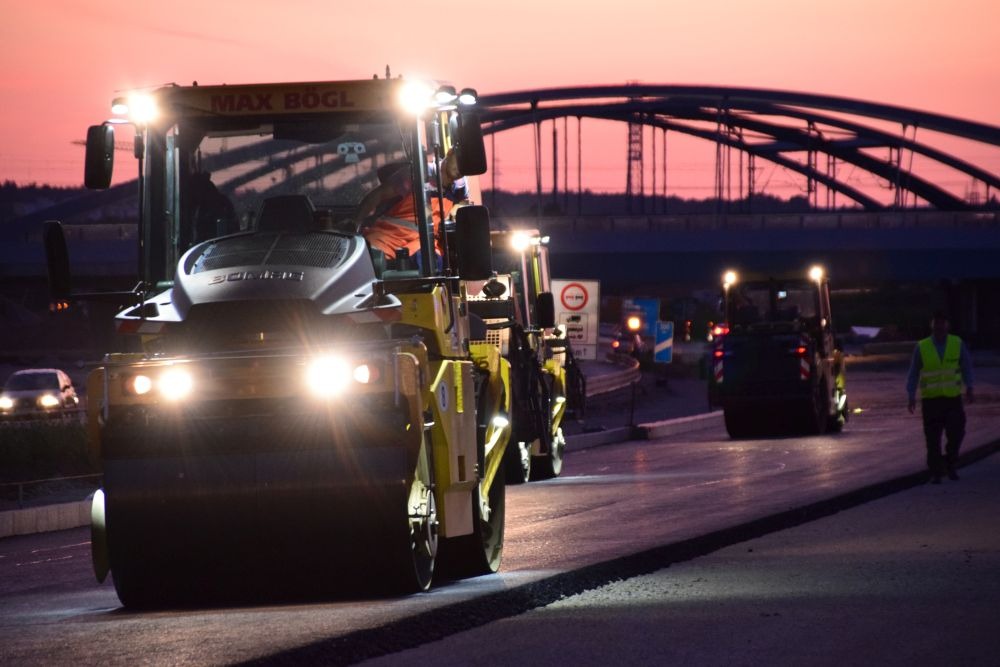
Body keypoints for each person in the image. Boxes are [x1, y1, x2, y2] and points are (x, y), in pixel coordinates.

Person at [356, 150, 464, 267]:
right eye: (459, 160)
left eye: (467, 165)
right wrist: (355, 222)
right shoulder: (416, 175)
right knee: (372, 262)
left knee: (430, 263)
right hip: (389, 236)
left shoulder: (459, 190)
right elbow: (378, 195)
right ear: (450, 152)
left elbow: (462, 206)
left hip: (423, 242)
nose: (462, 168)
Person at [906, 311, 975, 483]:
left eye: (942, 323)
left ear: (947, 325)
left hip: (952, 399)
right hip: (931, 401)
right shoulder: (922, 347)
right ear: (932, 325)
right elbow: (913, 372)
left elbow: (966, 366)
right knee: (932, 439)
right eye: (936, 323)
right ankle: (936, 472)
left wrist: (970, 387)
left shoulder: (956, 343)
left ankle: (950, 463)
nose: (939, 327)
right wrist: (911, 395)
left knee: (957, 433)